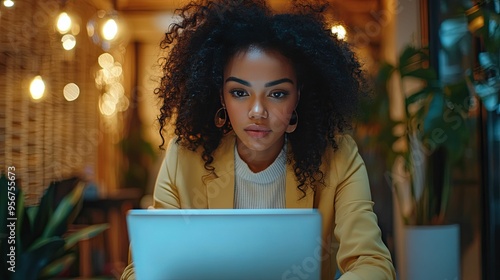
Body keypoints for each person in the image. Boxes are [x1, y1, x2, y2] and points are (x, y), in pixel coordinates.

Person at [121, 0, 396, 279]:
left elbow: (372, 263)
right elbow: (141, 269)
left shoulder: (337, 156)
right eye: (240, 92)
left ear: (298, 96)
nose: (257, 112)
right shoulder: (184, 156)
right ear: (221, 97)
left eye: (277, 94)